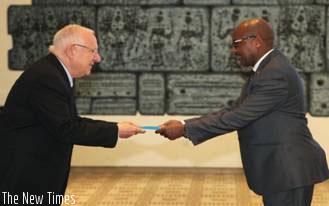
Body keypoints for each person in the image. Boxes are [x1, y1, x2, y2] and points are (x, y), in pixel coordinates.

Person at [156, 18, 329, 206]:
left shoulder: (273, 73)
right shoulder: (266, 69)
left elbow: (238, 116)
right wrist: (184, 125)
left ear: (256, 41)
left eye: (236, 44)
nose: (233, 50)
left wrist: (184, 129)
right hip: (282, 168)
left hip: (288, 169)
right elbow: (234, 110)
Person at [0, 24, 144, 205]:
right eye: (93, 51)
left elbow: (70, 121)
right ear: (73, 50)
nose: (98, 58)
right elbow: (66, 129)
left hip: (37, 172)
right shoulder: (47, 77)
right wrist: (115, 131)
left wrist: (115, 128)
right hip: (26, 176)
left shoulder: (56, 73)